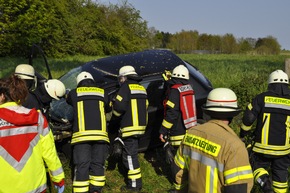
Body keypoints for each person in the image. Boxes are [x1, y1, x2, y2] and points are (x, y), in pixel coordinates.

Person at [172, 88, 254, 193]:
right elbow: (238, 188)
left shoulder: (191, 133)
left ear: (208, 111)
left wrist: (182, 190)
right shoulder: (234, 147)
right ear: (233, 115)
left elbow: (178, 171)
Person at [0, 74, 65, 193]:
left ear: (2, 96)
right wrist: (58, 178)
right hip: (35, 186)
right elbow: (49, 152)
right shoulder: (38, 118)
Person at [240, 69, 290, 193]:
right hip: (284, 150)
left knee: (256, 165)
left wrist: (243, 134)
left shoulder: (262, 98)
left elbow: (249, 118)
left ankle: (265, 185)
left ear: (270, 84)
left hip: (262, 148)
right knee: (281, 174)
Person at [66, 71, 111, 193]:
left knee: (82, 165)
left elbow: (68, 101)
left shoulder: (74, 93)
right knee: (98, 164)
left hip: (82, 136)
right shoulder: (103, 93)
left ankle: (81, 191)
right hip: (101, 136)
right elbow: (108, 108)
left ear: (79, 82)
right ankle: (96, 190)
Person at [111, 65, 148, 192]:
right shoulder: (142, 88)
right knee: (131, 155)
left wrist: (114, 120)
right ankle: (135, 183)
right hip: (140, 128)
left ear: (125, 77)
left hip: (129, 128)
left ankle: (134, 185)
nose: (120, 81)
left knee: (130, 157)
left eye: (121, 78)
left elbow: (119, 108)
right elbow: (146, 106)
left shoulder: (125, 88)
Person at [159, 65, 197, 180]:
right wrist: (168, 84)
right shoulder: (188, 88)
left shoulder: (175, 91)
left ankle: (179, 185)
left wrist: (163, 130)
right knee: (188, 158)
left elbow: (172, 113)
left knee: (177, 159)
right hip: (189, 128)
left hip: (177, 130)